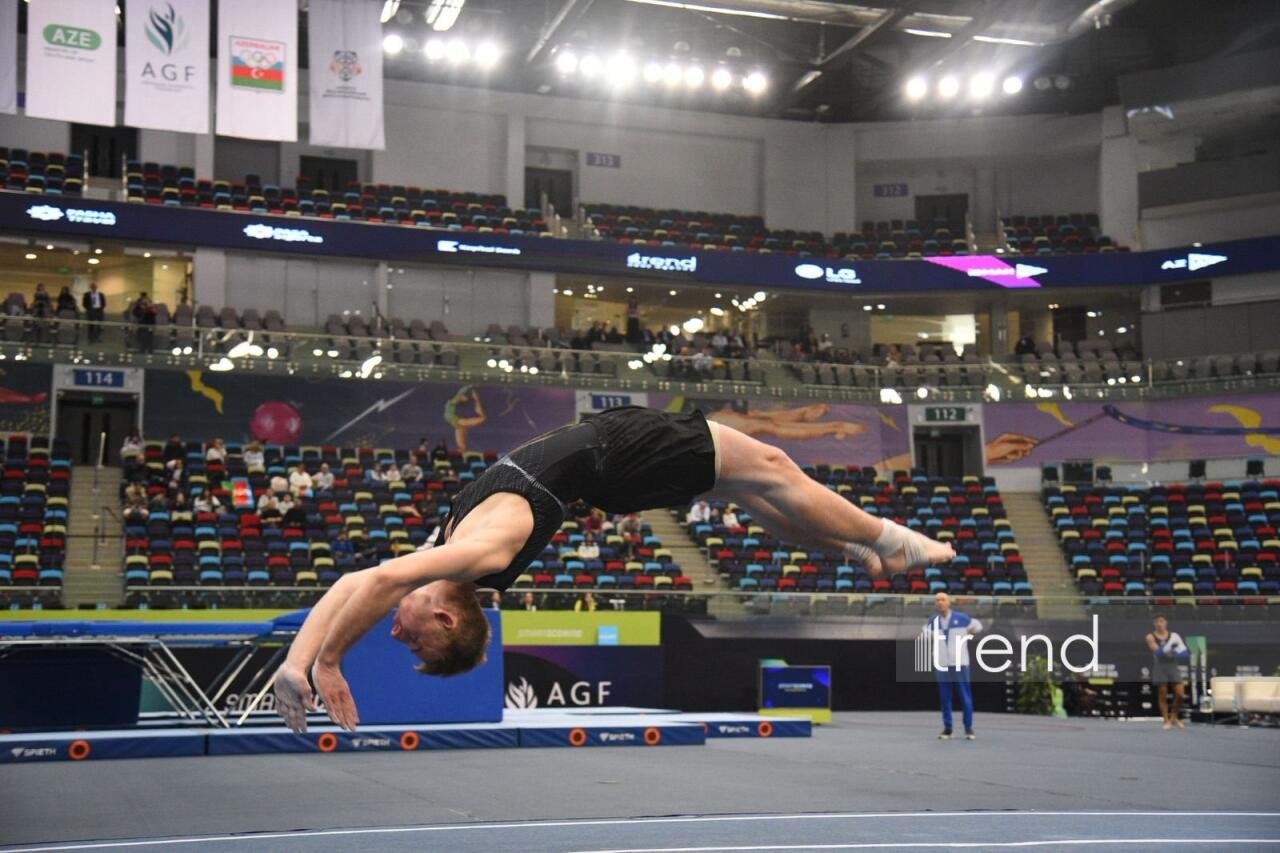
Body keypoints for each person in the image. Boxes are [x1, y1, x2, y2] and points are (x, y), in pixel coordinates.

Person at [274, 405, 954, 732]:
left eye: (404, 639)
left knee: (751, 491)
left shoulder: (448, 549)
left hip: (610, 470)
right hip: (616, 454)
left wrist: (308, 661)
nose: (396, 633)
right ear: (447, 614)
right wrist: (323, 662)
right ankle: (891, 540)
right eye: (416, 639)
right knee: (771, 470)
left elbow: (353, 584)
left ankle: (850, 549)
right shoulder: (483, 553)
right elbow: (373, 584)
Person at [927, 591, 982, 741]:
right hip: (942, 664)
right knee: (945, 697)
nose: (940, 602)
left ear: (949, 602)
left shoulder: (961, 618)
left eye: (943, 599)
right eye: (937, 600)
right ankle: (948, 728)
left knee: (965, 696)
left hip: (960, 663)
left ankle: (968, 728)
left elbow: (977, 627)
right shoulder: (932, 621)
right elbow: (927, 636)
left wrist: (967, 635)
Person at [1146, 614, 1189, 731]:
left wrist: (1172, 651)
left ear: (1166, 622)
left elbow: (1185, 653)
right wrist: (1173, 648)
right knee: (1163, 695)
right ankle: (1166, 720)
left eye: (1162, 621)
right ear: (1154, 623)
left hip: (1173, 666)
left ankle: (1174, 717)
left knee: (1180, 694)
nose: (1160, 624)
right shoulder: (1150, 637)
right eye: (1157, 622)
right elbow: (1159, 653)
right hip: (1160, 667)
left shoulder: (1174, 636)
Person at [444, 386, 486, 453]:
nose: (466, 400)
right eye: (466, 398)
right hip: (456, 421)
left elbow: (461, 392)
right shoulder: (456, 399)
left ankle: (461, 453)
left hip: (456, 424)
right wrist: (469, 387)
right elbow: (461, 392)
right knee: (482, 418)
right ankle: (461, 452)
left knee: (462, 445)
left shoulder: (455, 400)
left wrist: (468, 387)